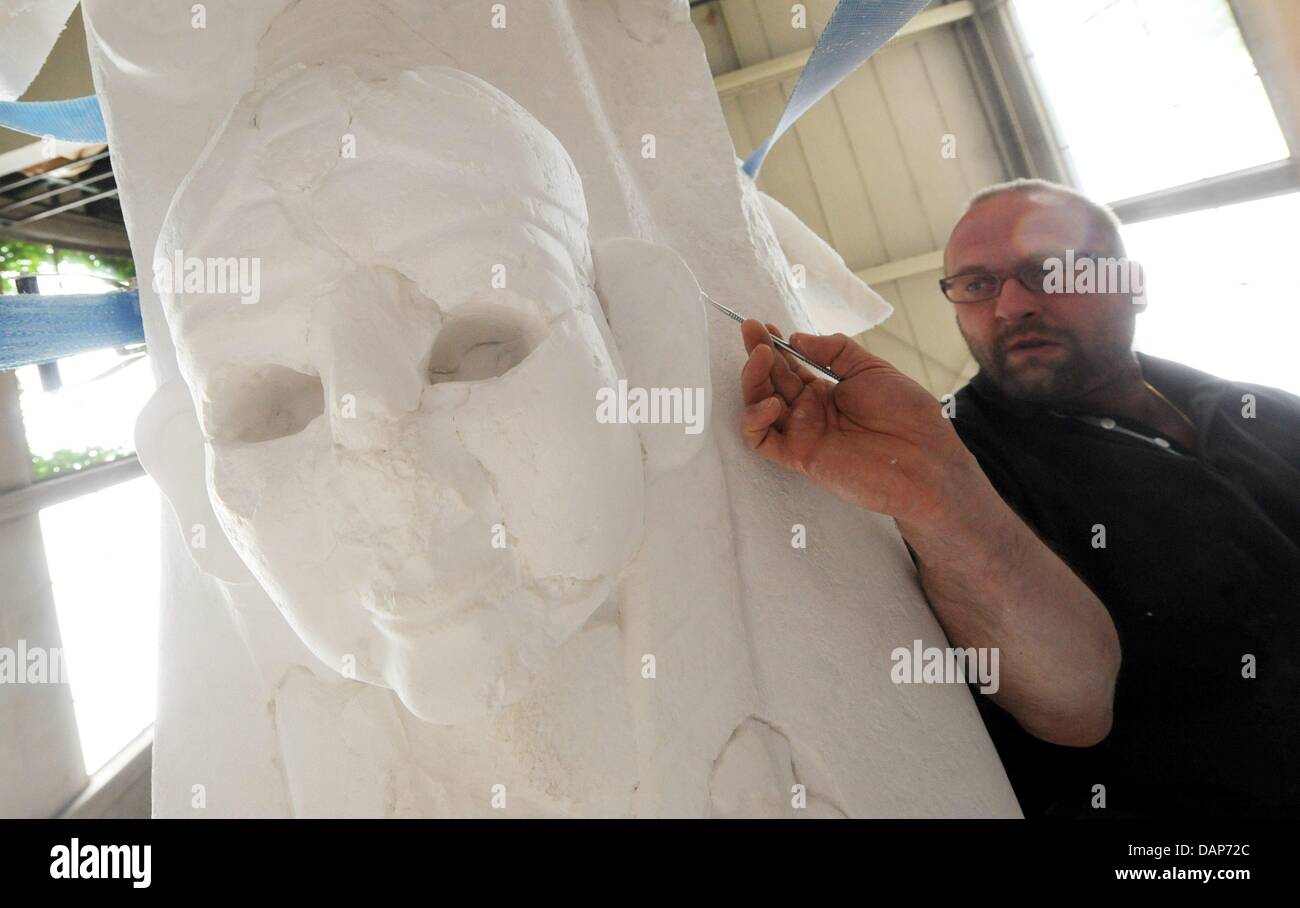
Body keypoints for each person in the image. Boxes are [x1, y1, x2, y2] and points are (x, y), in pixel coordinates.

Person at [736, 178, 1300, 817]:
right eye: (977, 285)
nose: (1011, 306)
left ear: (1131, 283)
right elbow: (1076, 705)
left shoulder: (1267, 412)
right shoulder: (955, 457)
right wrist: (942, 496)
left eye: (1050, 271)